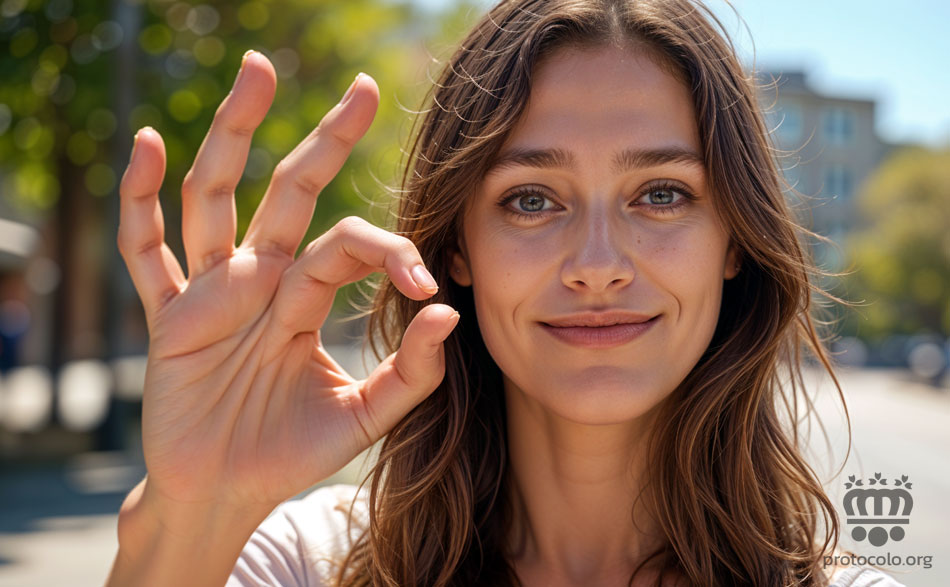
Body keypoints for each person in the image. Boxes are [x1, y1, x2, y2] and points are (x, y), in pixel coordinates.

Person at [105, 0, 905, 585]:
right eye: (531, 199)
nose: (598, 265)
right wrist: (195, 514)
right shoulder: (307, 565)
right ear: (457, 246)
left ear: (734, 240)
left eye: (661, 193)